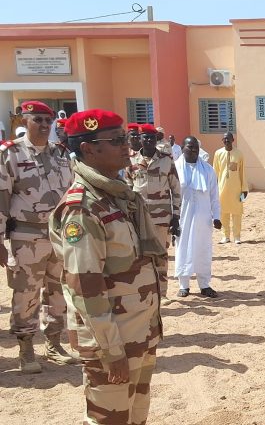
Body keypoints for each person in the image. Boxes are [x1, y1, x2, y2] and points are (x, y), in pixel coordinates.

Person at [50, 108, 165, 424]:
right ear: (89, 149)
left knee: (136, 417)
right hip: (112, 343)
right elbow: (86, 288)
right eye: (115, 141)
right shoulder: (82, 209)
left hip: (138, 331)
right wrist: (111, 351)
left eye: (124, 138)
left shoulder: (118, 196)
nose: (126, 146)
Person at [0, 101, 77, 373]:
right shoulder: (10, 154)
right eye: (38, 120)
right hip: (26, 236)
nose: (45, 125)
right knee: (26, 293)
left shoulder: (61, 153)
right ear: (24, 121)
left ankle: (54, 344)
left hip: (60, 235)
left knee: (58, 291)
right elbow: (2, 198)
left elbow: (72, 193)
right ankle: (26, 349)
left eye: (48, 120)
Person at [124, 123, 181, 305]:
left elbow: (176, 189)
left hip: (161, 217)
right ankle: (145, 293)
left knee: (161, 255)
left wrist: (176, 216)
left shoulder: (166, 160)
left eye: (151, 137)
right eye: (145, 137)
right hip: (138, 217)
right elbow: (127, 189)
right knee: (140, 255)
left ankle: (162, 293)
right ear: (140, 139)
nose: (148, 140)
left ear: (156, 140)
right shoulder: (131, 161)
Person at [174, 136, 221, 298]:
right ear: (182, 148)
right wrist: (172, 219)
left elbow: (214, 196)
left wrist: (217, 216)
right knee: (183, 249)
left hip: (203, 218)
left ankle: (204, 285)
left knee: (203, 250)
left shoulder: (208, 170)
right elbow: (170, 196)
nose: (193, 149)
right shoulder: (175, 169)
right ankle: (184, 285)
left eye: (196, 147)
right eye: (190, 147)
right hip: (183, 218)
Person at [213, 132, 248, 244]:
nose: (226, 141)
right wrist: (213, 188)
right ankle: (225, 236)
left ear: (233, 140)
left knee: (237, 213)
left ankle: (237, 237)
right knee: (223, 213)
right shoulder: (218, 153)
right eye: (224, 139)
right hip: (221, 189)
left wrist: (244, 189)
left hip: (236, 189)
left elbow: (242, 172)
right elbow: (215, 172)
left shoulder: (239, 154)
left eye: (228, 139)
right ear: (222, 141)